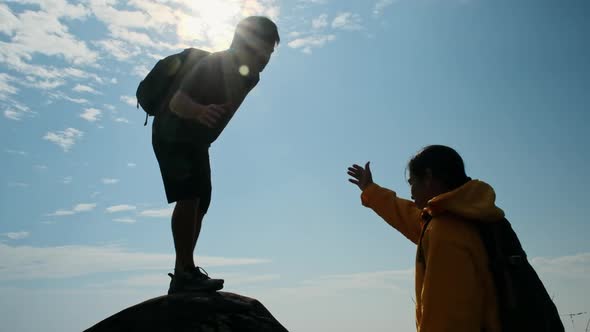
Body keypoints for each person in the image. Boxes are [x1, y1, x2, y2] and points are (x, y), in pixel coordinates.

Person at [152, 16, 279, 294]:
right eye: (264, 49)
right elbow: (177, 102)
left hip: (196, 139)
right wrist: (200, 111)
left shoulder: (251, 76)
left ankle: (183, 273)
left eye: (271, 52)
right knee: (189, 195)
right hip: (173, 130)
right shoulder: (213, 64)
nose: (267, 58)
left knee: (202, 201)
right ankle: (185, 272)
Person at [347, 145, 502, 331]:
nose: (411, 193)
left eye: (412, 182)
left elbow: (446, 318)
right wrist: (370, 189)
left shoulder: (445, 231)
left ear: (428, 177)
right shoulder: (471, 216)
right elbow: (406, 215)